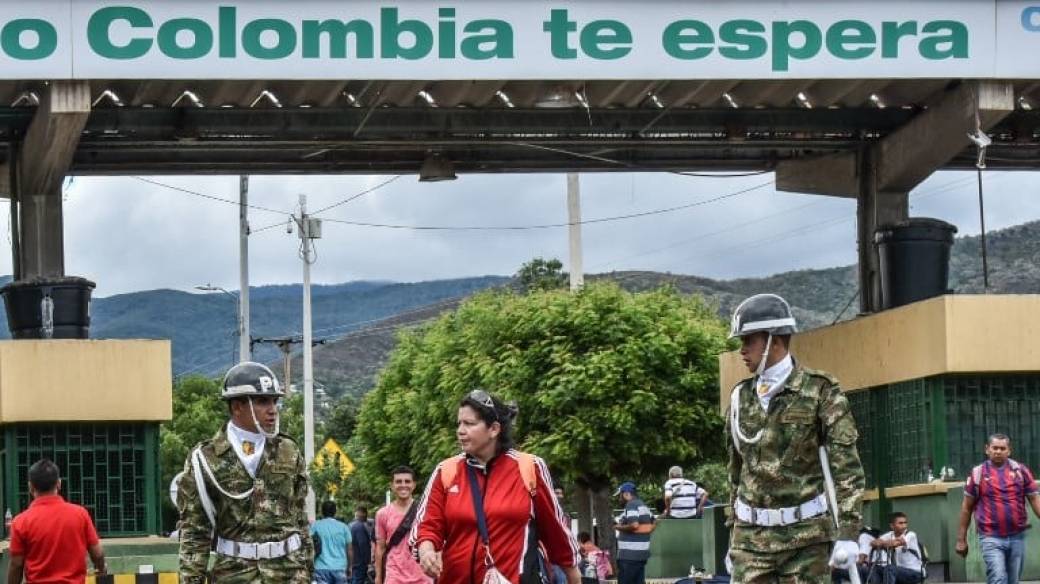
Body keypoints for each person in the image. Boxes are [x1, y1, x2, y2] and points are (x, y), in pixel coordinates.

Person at [724, 294, 865, 584]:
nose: (742, 350)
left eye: (748, 340)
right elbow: (735, 472)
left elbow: (846, 468)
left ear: (773, 341)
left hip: (806, 538)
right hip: (750, 540)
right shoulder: (740, 397)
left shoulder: (820, 391)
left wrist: (849, 533)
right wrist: (732, 529)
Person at [411, 389, 580, 584]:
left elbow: (556, 530)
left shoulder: (529, 468)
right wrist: (426, 549)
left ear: (494, 429)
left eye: (469, 424)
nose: (460, 430)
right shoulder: (446, 471)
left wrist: (573, 576)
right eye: (459, 423)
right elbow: (427, 524)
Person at [176, 361, 313, 584]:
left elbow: (300, 517)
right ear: (237, 406)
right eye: (262, 401)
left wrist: (307, 569)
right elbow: (195, 532)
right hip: (235, 573)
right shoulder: (205, 458)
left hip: (289, 572)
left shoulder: (288, 450)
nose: (273, 409)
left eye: (274, 401)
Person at [956, 433, 1040, 584]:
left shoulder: (1020, 471)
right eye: (994, 448)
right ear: (987, 449)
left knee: (1013, 580)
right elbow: (966, 508)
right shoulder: (978, 473)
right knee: (998, 578)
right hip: (990, 537)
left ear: (1009, 451)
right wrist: (961, 540)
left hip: (1017, 536)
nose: (998, 451)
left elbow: (1034, 499)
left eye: (1002, 448)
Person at [6, 459, 106, 584]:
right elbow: (97, 554)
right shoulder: (80, 514)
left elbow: (16, 564)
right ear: (59, 484)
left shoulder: (21, 522)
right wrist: (101, 569)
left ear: (30, 487)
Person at [376, 466, 430, 584]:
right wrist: (378, 577)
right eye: (398, 482)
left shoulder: (426, 511)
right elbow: (380, 548)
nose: (403, 485)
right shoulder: (382, 514)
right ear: (392, 485)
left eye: (407, 481)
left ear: (414, 485)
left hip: (422, 575)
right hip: (394, 575)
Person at [613, 482, 654, 584]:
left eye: (620, 495)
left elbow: (634, 525)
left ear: (626, 494)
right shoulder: (643, 505)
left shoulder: (631, 504)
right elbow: (653, 523)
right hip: (641, 554)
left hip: (629, 556)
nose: (619, 499)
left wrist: (618, 527)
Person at [871, 512, 923, 584]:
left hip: (915, 572)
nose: (904, 526)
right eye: (900, 523)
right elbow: (873, 543)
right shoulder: (890, 534)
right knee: (876, 568)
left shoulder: (911, 535)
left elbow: (894, 544)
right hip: (899, 571)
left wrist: (884, 543)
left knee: (889, 568)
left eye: (905, 523)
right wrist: (887, 543)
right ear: (892, 526)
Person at [312, 500, 354, 584]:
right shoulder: (344, 527)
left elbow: (309, 544)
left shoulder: (315, 526)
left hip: (321, 568)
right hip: (340, 568)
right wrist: (350, 567)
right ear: (335, 512)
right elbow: (349, 550)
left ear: (322, 512)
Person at [350, 506, 374, 584]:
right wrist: (368, 562)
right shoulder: (360, 527)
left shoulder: (350, 525)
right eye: (365, 514)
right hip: (359, 563)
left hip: (352, 561)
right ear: (363, 514)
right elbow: (363, 545)